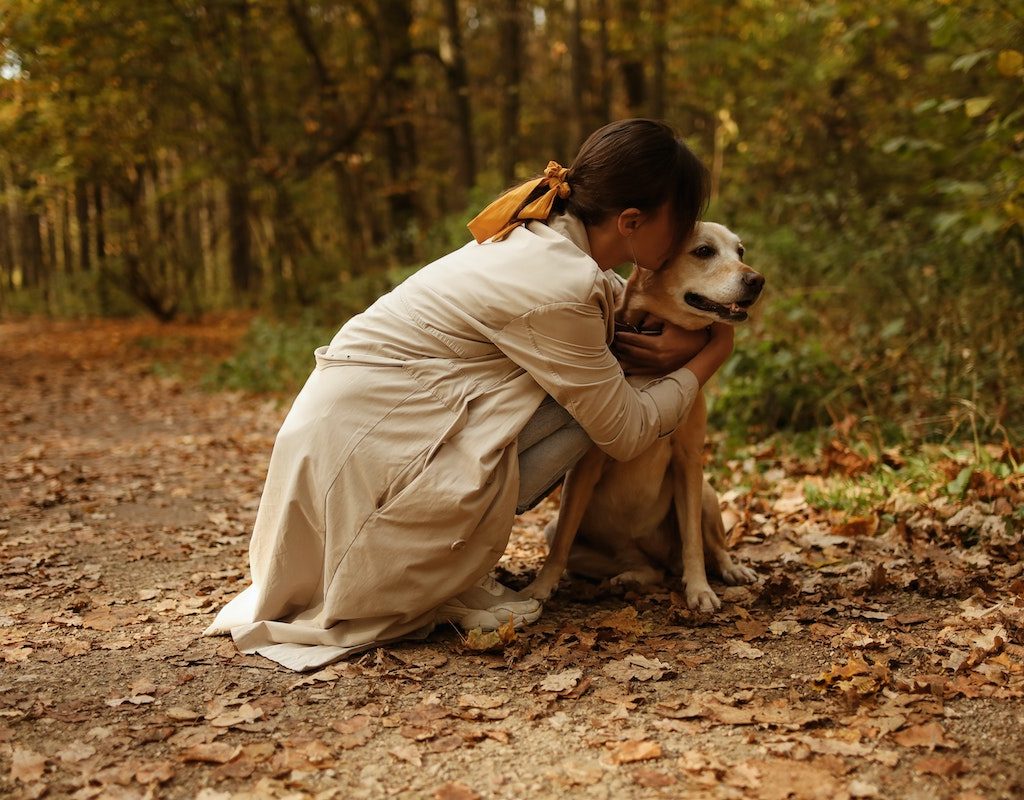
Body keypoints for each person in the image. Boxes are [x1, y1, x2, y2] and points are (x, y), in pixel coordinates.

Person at [205, 119, 735, 671]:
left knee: (592, 385)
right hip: (368, 463)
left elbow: (610, 314)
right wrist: (711, 351)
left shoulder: (540, 237)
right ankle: (425, 572)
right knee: (600, 406)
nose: (682, 241)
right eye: (681, 228)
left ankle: (446, 560)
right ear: (630, 222)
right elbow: (623, 433)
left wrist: (673, 336)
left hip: (344, 444)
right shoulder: (562, 283)